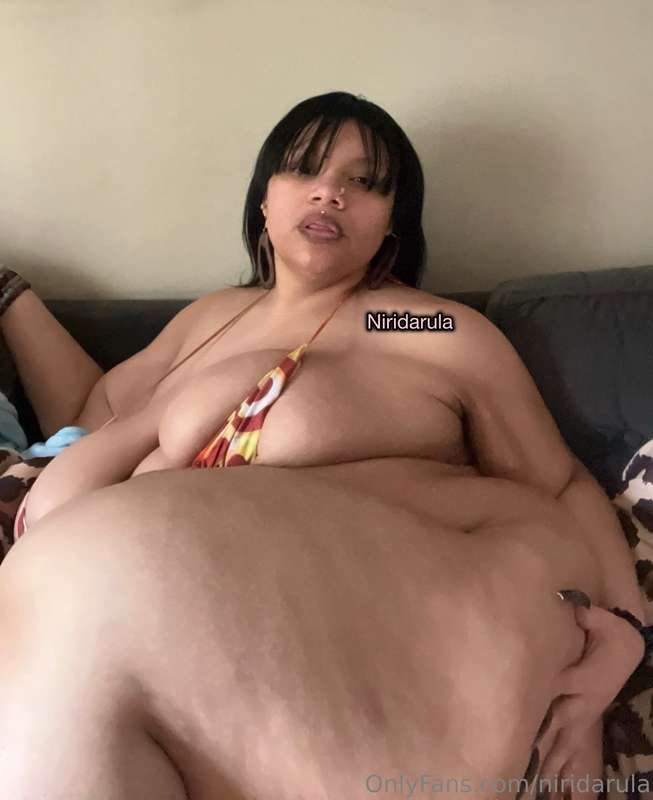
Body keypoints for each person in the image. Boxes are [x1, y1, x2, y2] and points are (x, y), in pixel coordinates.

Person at [0, 91, 647, 799]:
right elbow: (88, 413)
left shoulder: (407, 325)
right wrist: (13, 298)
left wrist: (625, 630)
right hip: (163, 627)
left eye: (363, 182)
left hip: (388, 632)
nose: (330, 192)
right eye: (303, 169)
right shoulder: (212, 318)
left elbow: (559, 482)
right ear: (264, 201)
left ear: (392, 223)